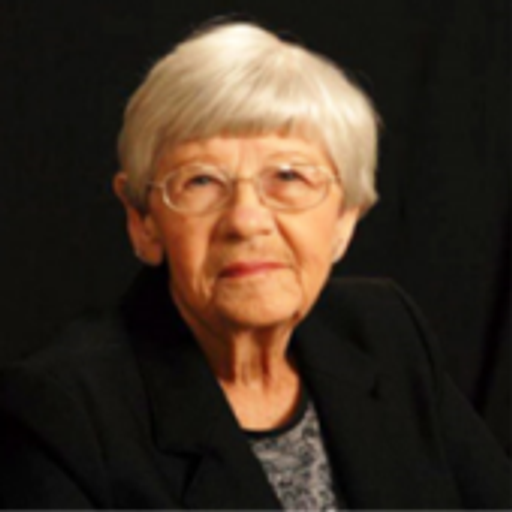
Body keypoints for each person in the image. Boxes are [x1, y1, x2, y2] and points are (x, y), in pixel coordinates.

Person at [0, 20, 510, 512]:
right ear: (142, 220)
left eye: (288, 176)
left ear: (345, 217)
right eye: (201, 181)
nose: (246, 221)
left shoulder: (387, 333)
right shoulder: (62, 414)